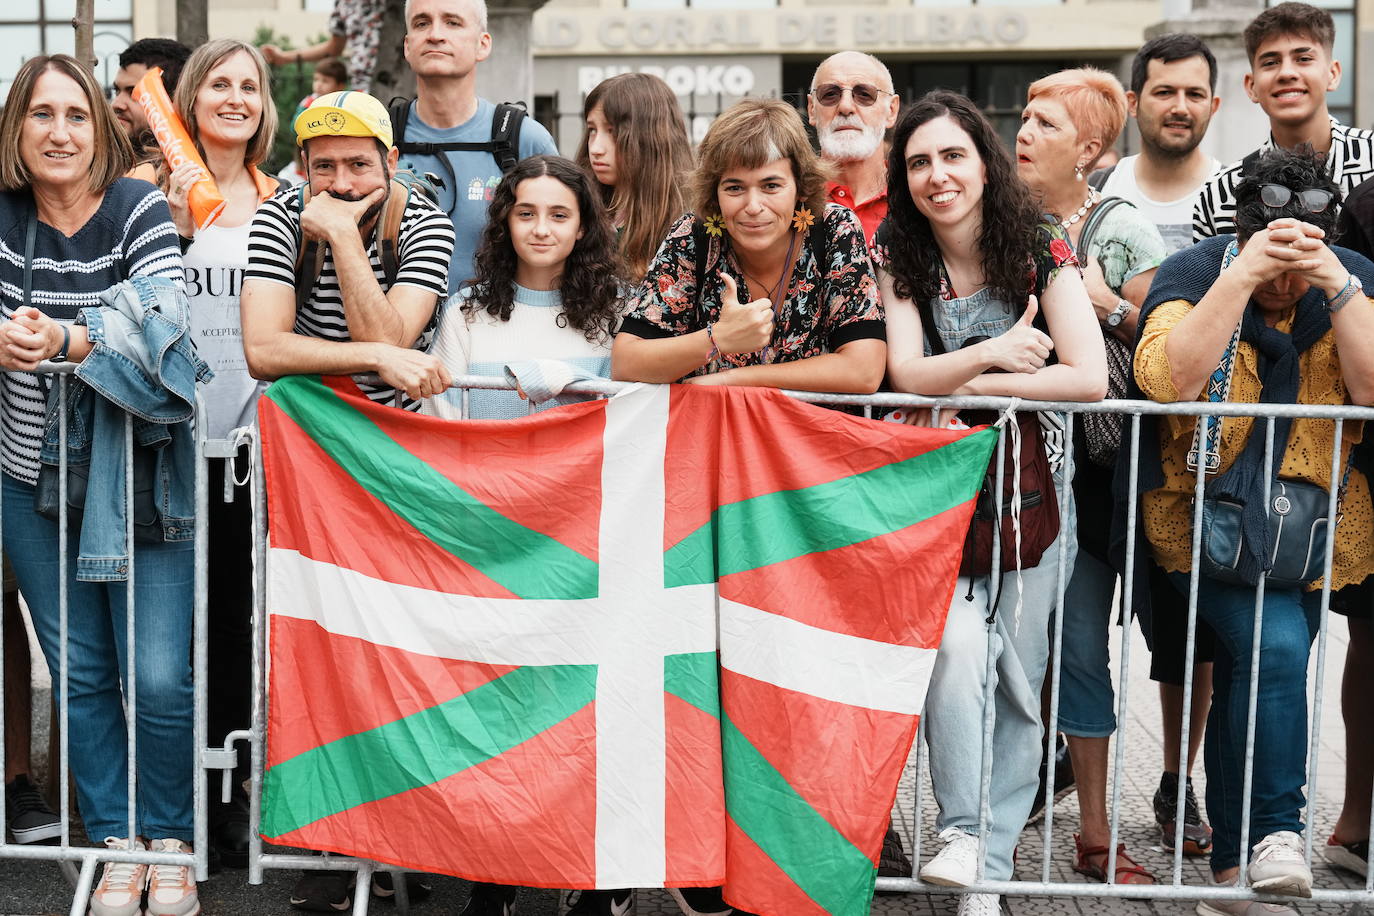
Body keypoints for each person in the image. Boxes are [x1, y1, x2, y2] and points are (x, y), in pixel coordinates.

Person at [878, 89, 1107, 916]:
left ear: (983, 160)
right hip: (938, 490)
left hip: (1033, 488)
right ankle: (962, 831)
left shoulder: (1038, 240)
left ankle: (994, 863)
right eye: (918, 163)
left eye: (951, 156)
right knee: (954, 652)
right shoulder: (898, 249)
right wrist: (1003, 353)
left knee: (1020, 672)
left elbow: (1085, 375)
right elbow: (904, 373)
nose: (936, 176)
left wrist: (966, 373)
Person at [1130, 145, 1374, 916]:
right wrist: (1239, 275)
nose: (1288, 279)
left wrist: (1338, 283)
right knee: (1271, 649)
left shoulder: (1346, 279)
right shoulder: (1199, 272)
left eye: (1307, 252)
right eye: (1276, 252)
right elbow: (1167, 379)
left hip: (1309, 528)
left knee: (1254, 669)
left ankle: (1233, 876)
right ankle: (1276, 833)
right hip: (1204, 524)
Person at [240, 89, 454, 911]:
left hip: (402, 468)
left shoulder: (422, 221)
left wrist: (341, 241)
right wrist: (371, 351)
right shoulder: (278, 216)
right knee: (319, 649)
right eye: (322, 166)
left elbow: (395, 344)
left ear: (390, 162)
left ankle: (421, 832)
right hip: (312, 468)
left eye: (358, 164)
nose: (338, 181)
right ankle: (327, 838)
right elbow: (263, 348)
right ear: (299, 167)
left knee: (409, 653)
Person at [0, 53, 199, 916]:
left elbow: (166, 330)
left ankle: (172, 842)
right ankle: (116, 840)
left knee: (156, 675)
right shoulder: (3, 214)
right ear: (18, 128)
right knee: (77, 670)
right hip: (26, 476)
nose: (60, 132)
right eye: (42, 115)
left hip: (141, 474)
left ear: (102, 128)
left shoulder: (138, 205)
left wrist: (71, 343)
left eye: (77, 115)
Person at [424, 155, 628, 915]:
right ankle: (496, 870)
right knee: (500, 714)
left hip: (587, 547)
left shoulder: (614, 315)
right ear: (504, 221)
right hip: (495, 543)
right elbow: (443, 431)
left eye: (559, 214)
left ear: (583, 228)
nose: (541, 227)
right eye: (526, 212)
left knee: (583, 709)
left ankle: (595, 877)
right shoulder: (467, 314)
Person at [1016, 67, 1169, 886]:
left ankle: (1124, 827)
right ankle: (1045, 830)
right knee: (1040, 649)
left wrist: (1103, 304)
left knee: (1113, 644)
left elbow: (1167, 346)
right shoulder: (1000, 222)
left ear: (1091, 149)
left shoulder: (1120, 226)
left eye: (1045, 122)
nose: (1024, 132)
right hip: (1025, 467)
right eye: (1026, 118)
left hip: (1104, 476)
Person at [147, 37, 281, 872]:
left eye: (249, 87)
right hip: (164, 444)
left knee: (235, 632)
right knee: (163, 641)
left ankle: (231, 802)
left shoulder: (286, 197)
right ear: (191, 98)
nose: (235, 98)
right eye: (219, 84)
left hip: (249, 452)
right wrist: (162, 223)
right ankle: (165, 802)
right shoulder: (144, 195)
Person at [1092, 32, 1225, 859]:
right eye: (1163, 90)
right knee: (1079, 619)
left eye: (1192, 93)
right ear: (1136, 100)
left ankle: (1180, 778)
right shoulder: (1100, 193)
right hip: (1108, 445)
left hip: (1207, 451)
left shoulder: (1235, 193)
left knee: (1190, 632)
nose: (1178, 105)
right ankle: (1064, 770)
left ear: (1215, 104)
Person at [612, 97, 885, 395]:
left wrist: (736, 379)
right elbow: (627, 363)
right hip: (717, 436)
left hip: (815, 437)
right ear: (714, 194)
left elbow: (864, 370)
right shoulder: (695, 234)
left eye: (771, 186)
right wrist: (718, 338)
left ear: (802, 187)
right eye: (735, 188)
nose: (753, 206)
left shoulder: (834, 229)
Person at [398, 0, 558, 291]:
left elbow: (563, 251)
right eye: (422, 23)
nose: (435, 34)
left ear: (483, 44)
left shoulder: (524, 138)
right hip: (394, 333)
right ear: (408, 46)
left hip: (494, 327)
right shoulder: (379, 136)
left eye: (452, 22)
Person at [1192, 2, 1374, 241]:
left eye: (1303, 58)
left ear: (1333, 74)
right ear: (1251, 86)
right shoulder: (1220, 194)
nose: (1287, 73)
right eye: (1270, 62)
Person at [575, 72, 693, 282]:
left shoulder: (689, 226)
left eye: (612, 132)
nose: (596, 148)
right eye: (592, 130)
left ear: (650, 139)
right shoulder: (578, 208)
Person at [806, 51, 900, 246]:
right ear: (811, 109)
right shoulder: (790, 195)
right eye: (830, 94)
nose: (846, 106)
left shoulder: (917, 195)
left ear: (891, 110)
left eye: (864, 94)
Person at [261, 0, 382, 94]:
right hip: (363, 88)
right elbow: (334, 48)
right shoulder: (344, 3)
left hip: (397, 84)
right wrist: (285, 57)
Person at [110, 37, 193, 162]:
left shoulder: (197, 173)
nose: (116, 104)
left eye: (134, 92)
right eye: (117, 91)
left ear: (173, 99)